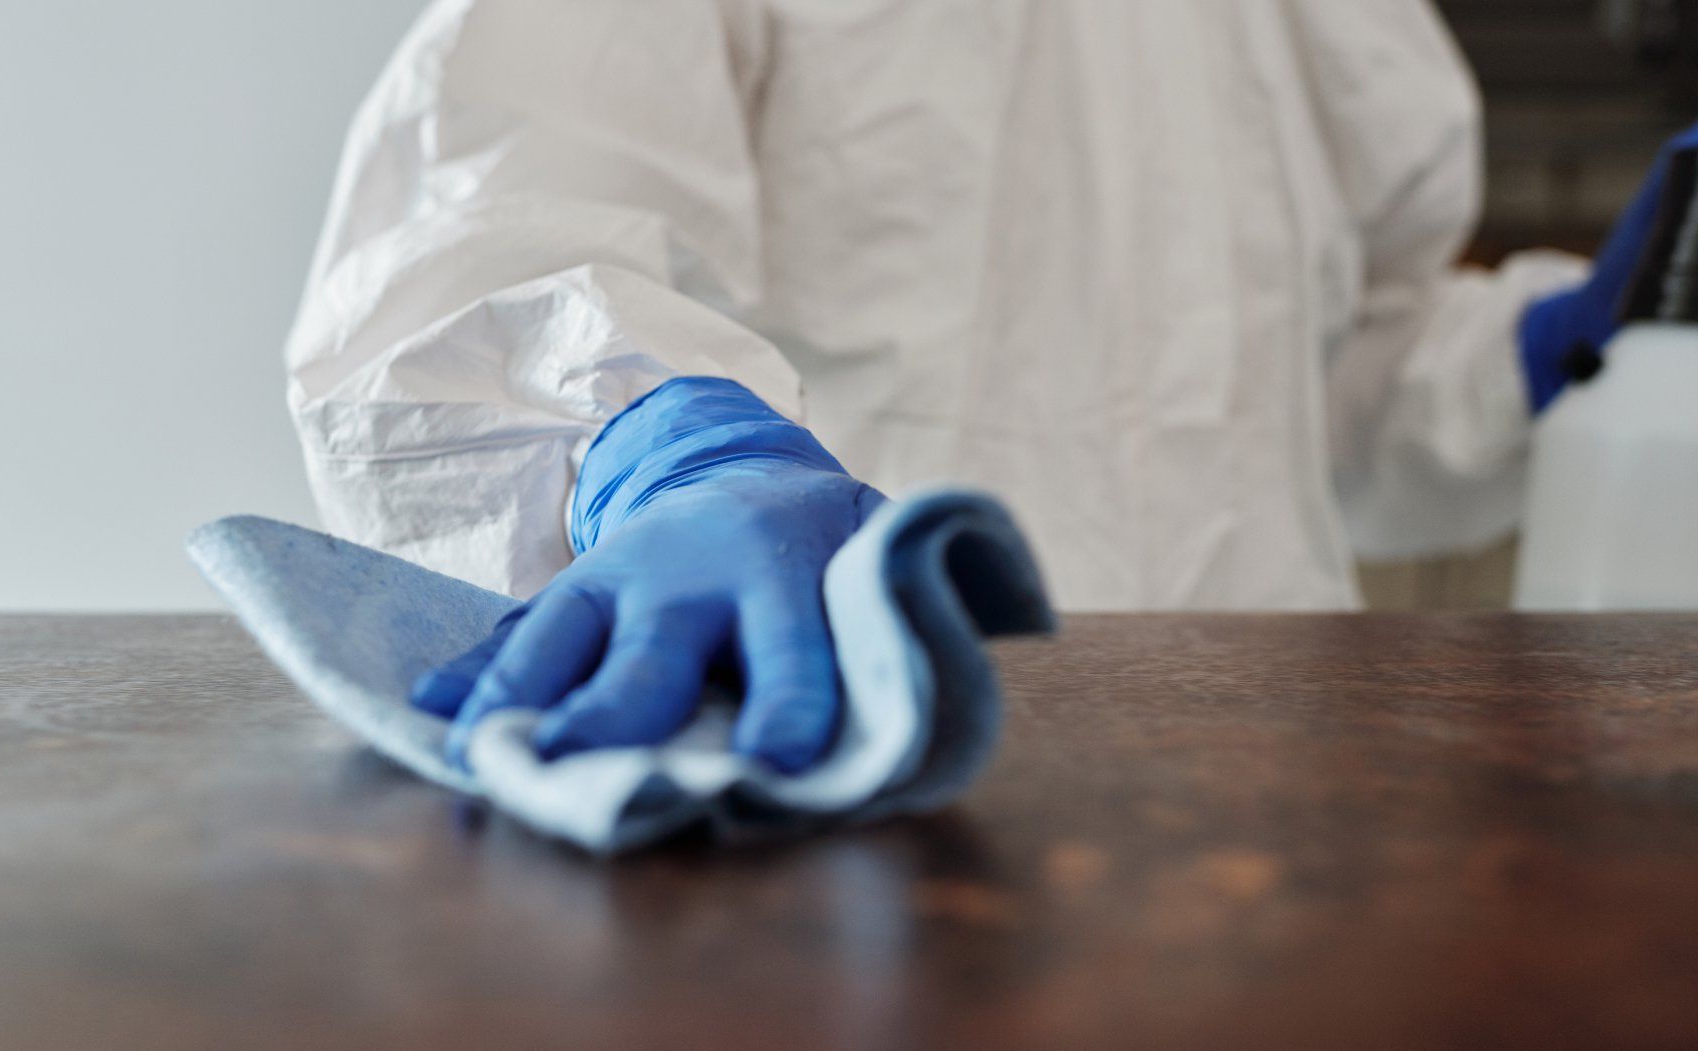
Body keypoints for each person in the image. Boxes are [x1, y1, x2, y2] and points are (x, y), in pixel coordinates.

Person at [287, 0, 1697, 771]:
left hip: (1273, 777)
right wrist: (662, 441)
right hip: (851, 744)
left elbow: (1328, 405)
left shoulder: (1324, 21)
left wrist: (1543, 346)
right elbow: (470, 234)